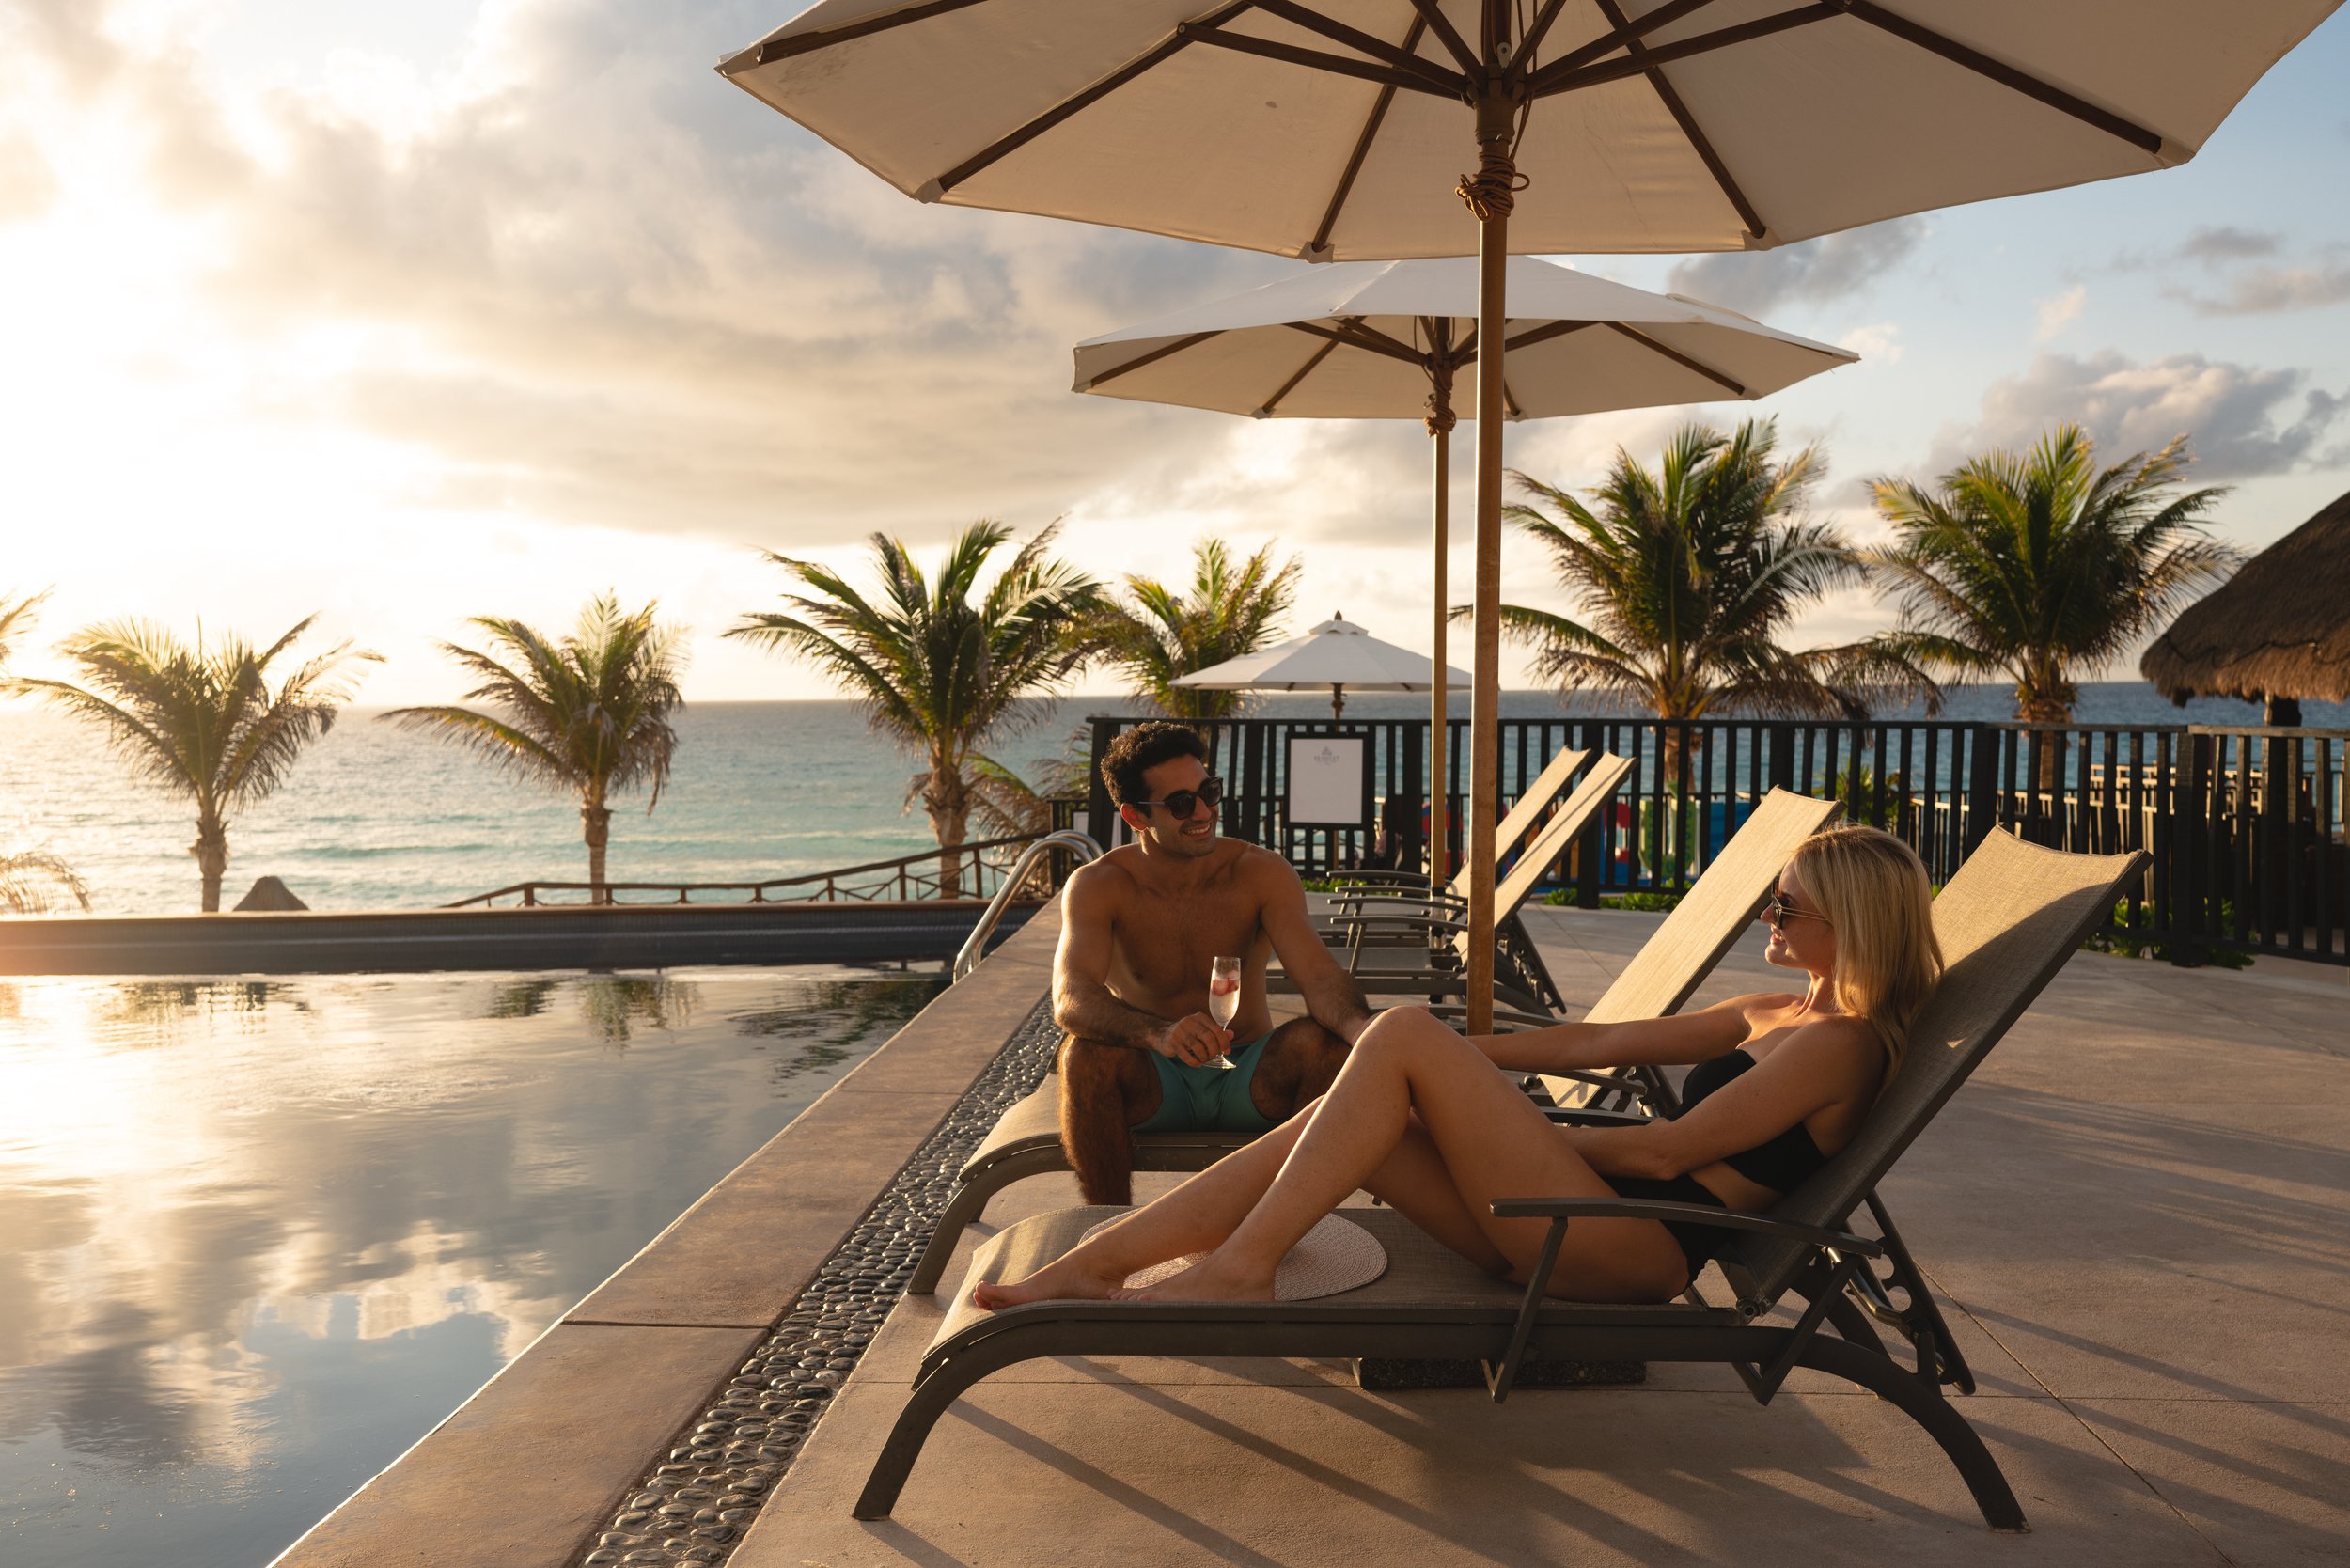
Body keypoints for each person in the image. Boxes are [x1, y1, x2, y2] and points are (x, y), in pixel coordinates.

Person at [979, 824, 1940, 1309]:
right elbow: (1594, 1043)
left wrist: (1474, 1109)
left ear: (1851, 923)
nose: (1767, 919)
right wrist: (1457, 1065)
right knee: (1371, 1089)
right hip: (1557, 1229)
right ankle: (1096, 1264)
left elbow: (1661, 1155)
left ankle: (1241, 1265)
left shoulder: (1837, 1044)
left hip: (1631, 1250)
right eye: (1770, 903)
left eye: (1787, 909)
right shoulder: (1772, 1011)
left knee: (1396, 1037)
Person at [1055, 721, 1373, 1205]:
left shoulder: (1260, 873)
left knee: (1324, 1043)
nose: (1204, 812)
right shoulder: (1101, 885)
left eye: (1210, 792)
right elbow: (1072, 997)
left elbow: (1320, 976)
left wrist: (1361, 1031)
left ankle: (1287, 1222)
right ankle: (1108, 1228)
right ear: (1137, 816)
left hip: (1248, 1074)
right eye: (1181, 804)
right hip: (1159, 1078)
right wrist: (1158, 1033)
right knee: (1084, 1053)